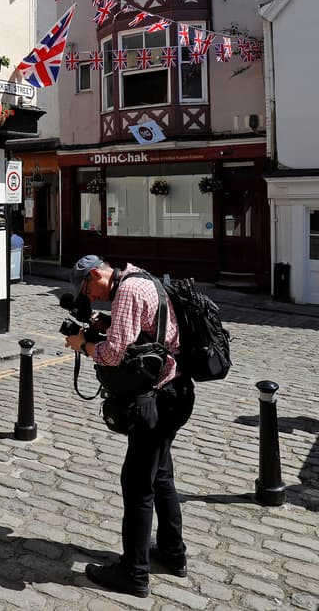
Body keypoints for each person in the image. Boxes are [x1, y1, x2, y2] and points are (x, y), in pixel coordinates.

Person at [64, 254, 195, 597]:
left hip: (156, 400)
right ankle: (172, 553)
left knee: (137, 485)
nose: (90, 296)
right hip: (177, 390)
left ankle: (134, 573)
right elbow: (147, 331)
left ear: (95, 273)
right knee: (161, 475)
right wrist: (105, 324)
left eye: (88, 289)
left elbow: (112, 355)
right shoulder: (143, 279)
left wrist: (84, 344)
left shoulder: (127, 291)